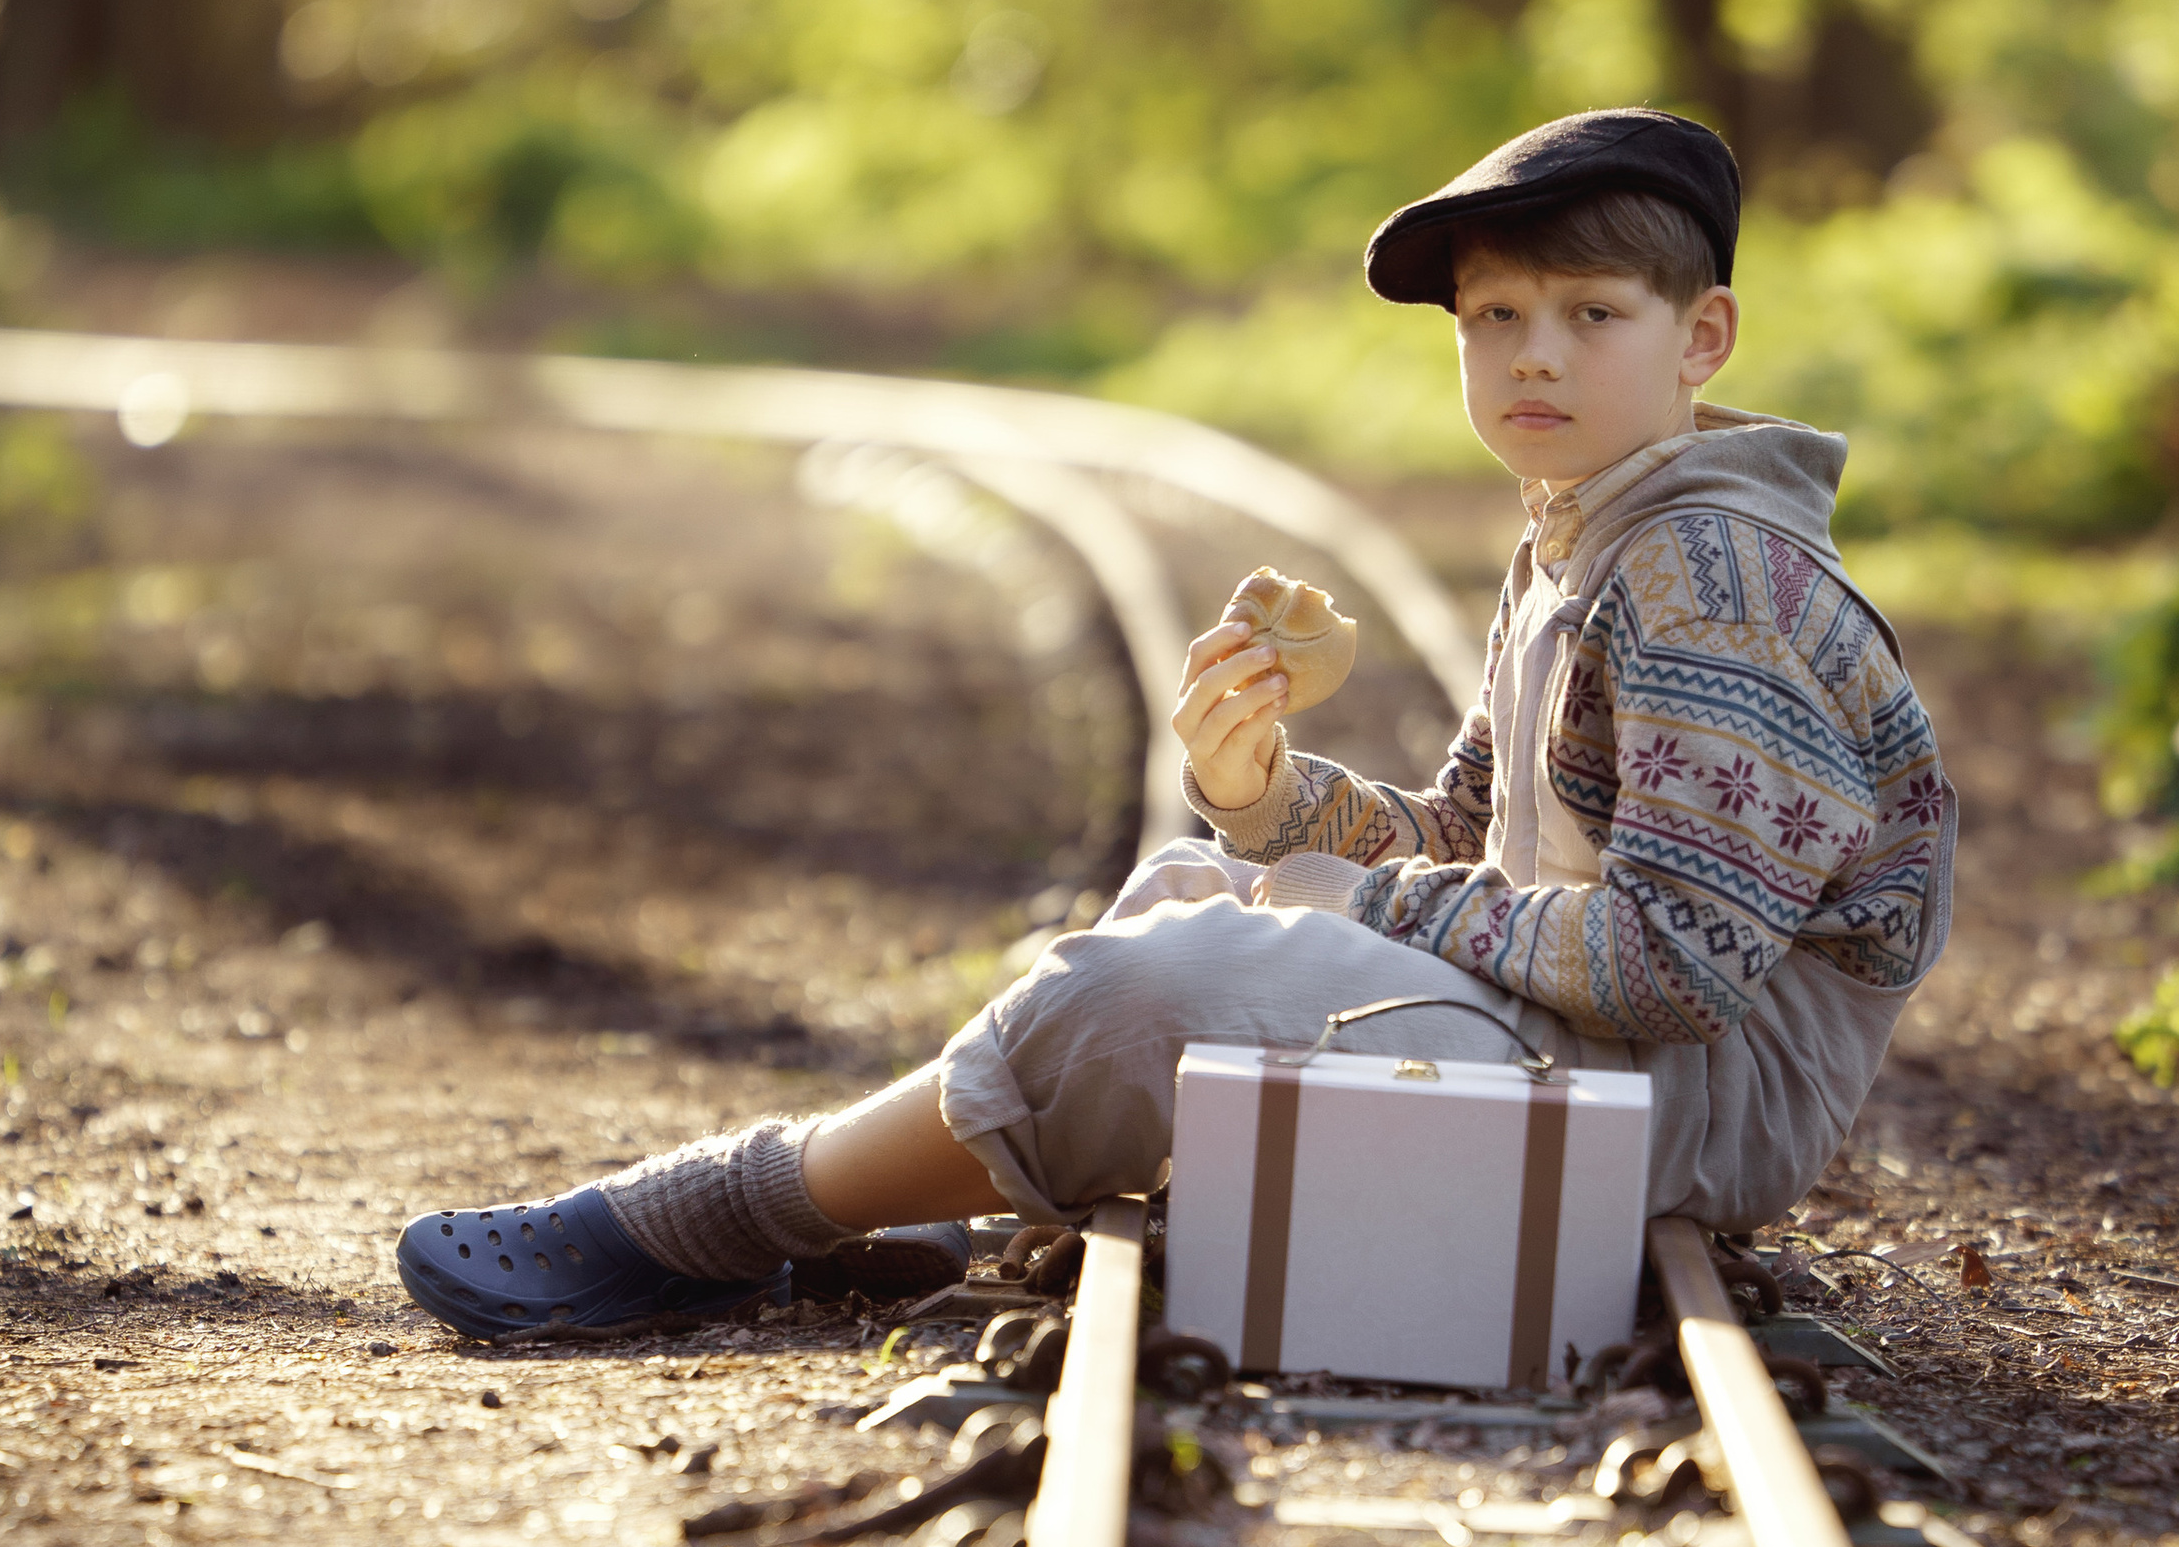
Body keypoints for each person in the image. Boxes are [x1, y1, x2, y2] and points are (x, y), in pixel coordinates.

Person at [393, 107, 1952, 1341]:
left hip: (1690, 1105)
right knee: (1194, 894)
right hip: (1610, 1059)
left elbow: (1679, 964)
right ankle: (935, 1190)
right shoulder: (1585, 535)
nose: (1533, 353)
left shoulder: (1713, 575)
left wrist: (1347, 894)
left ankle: (730, 1217)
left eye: (1591, 312)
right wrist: (1272, 805)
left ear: (1704, 339)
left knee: (1185, 979)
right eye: (1494, 317)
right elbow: (1479, 847)